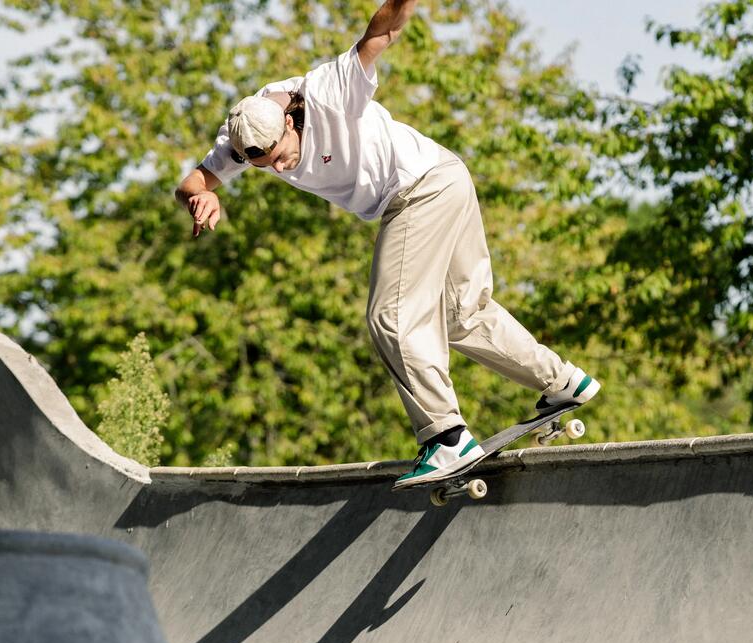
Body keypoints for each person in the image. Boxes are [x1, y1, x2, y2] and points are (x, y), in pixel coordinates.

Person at [174, 0, 600, 488]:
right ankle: (562, 381)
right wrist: (202, 198)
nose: (277, 167)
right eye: (262, 165)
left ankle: (445, 437)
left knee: (391, 316)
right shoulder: (245, 133)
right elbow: (193, 180)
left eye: (280, 156)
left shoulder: (327, 90)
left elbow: (382, 32)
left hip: (418, 189)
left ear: (290, 121)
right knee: (464, 315)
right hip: (447, 176)